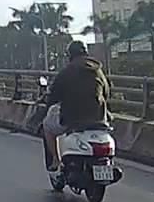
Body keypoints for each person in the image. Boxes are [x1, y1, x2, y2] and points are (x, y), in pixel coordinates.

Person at [42, 40, 110, 172]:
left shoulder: (66, 72)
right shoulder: (98, 71)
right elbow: (107, 93)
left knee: (47, 126)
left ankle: (55, 160)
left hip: (73, 119)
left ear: (70, 55)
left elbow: (53, 96)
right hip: (99, 118)